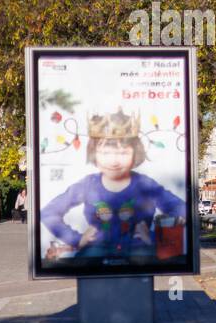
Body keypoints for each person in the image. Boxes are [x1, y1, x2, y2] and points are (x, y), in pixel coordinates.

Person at [40, 108, 186, 265]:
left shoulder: (145, 185)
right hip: (95, 256)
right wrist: (77, 239)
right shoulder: (88, 185)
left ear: (135, 153)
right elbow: (49, 213)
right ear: (94, 154)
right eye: (105, 153)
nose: (114, 161)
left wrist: (153, 237)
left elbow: (182, 210)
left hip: (139, 257)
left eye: (123, 153)